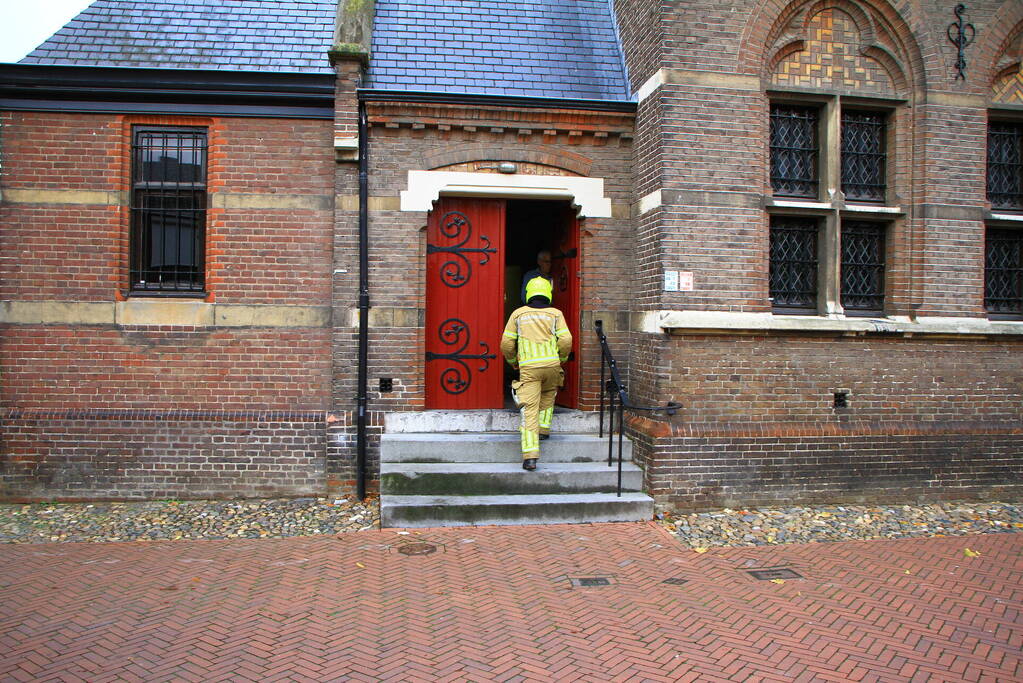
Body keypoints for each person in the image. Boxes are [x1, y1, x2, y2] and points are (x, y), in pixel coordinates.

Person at [500, 276, 573, 471]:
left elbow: (506, 344)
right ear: (548, 293)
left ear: (528, 293)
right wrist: (562, 359)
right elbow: (566, 340)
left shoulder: (518, 314)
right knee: (549, 395)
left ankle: (530, 457)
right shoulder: (556, 314)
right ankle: (543, 429)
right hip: (551, 365)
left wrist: (513, 362)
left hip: (530, 368)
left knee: (529, 409)